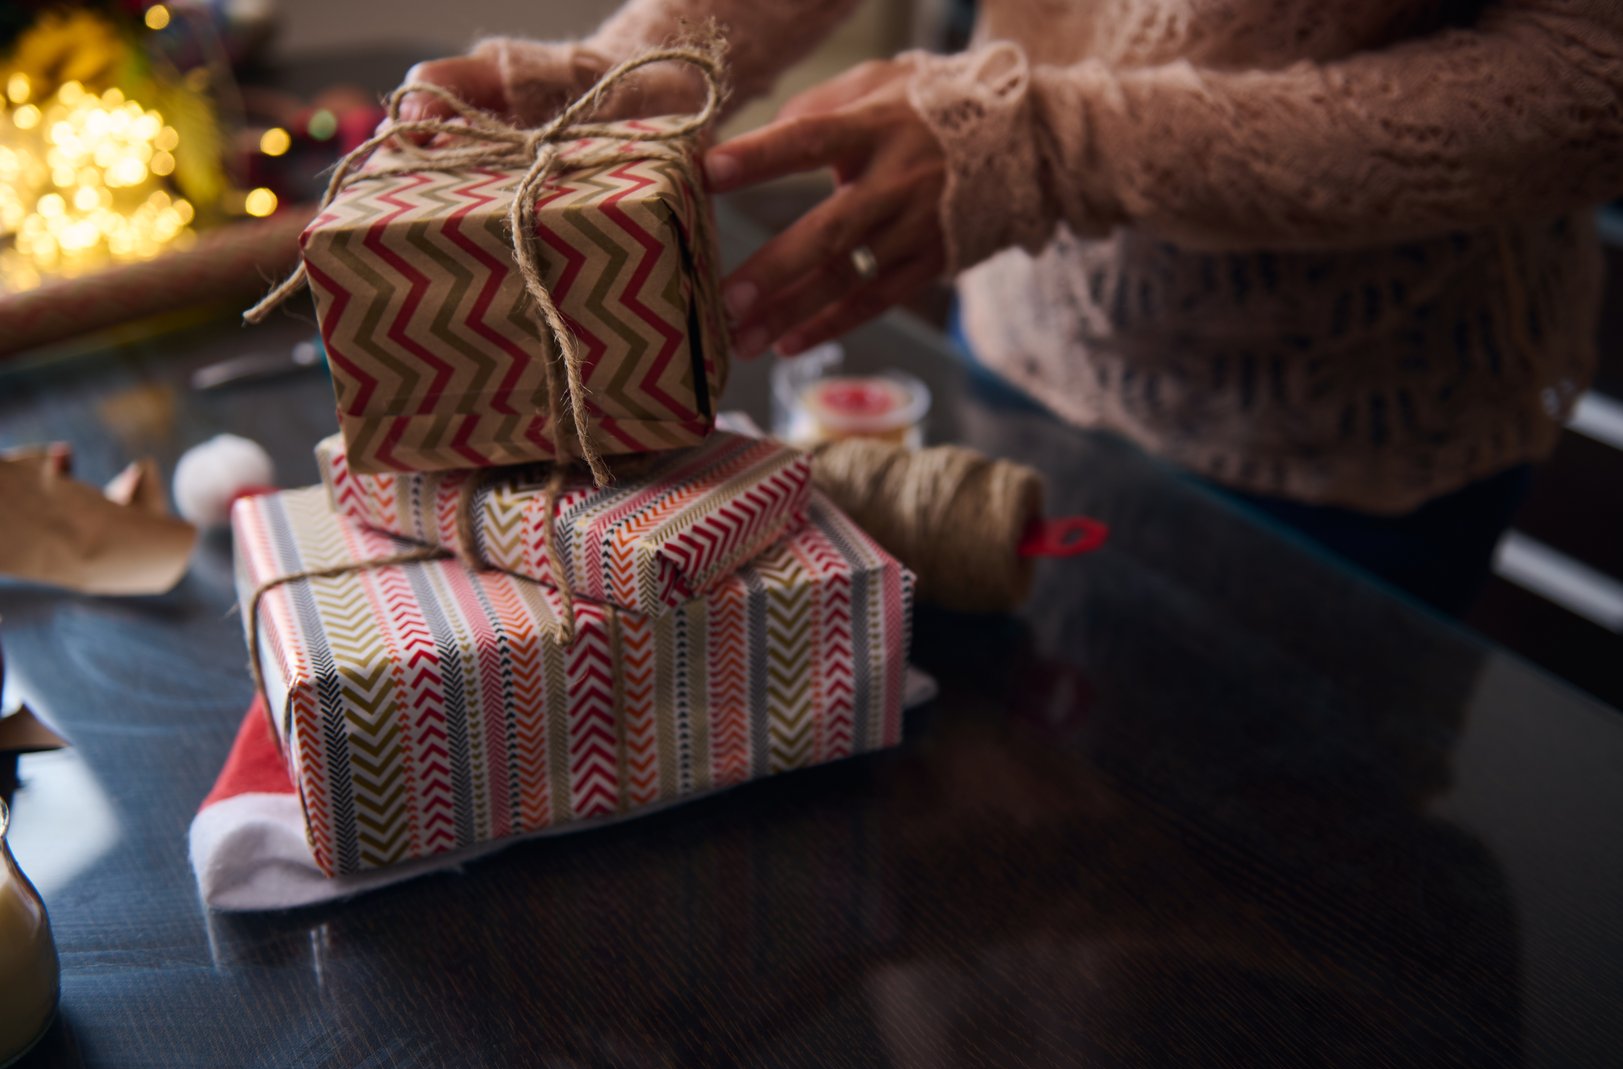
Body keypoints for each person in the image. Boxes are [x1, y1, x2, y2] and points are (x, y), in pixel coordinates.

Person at [399, 0, 1623, 616]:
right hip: (1015, 353)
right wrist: (620, 73)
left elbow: (1592, 74)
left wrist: (1056, 146)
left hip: (1346, 447)